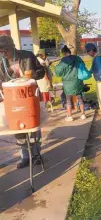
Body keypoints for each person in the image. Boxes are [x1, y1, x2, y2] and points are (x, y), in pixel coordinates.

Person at [0, 35, 45, 169]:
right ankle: (25, 156)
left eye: (5, 50)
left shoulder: (27, 55)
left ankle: (37, 154)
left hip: (29, 96)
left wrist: (33, 75)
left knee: (33, 127)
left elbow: (41, 71)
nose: (3, 53)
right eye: (0, 51)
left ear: (12, 47)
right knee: (17, 128)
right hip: (12, 99)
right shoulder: (1, 61)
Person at [55, 45, 86, 122]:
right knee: (80, 98)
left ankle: (69, 116)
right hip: (78, 81)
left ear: (63, 53)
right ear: (69, 52)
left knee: (68, 100)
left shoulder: (63, 61)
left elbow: (58, 73)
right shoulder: (77, 58)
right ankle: (83, 114)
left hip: (68, 83)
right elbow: (83, 65)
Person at [85, 43, 101, 114]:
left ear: (91, 50)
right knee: (99, 95)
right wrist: (86, 73)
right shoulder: (96, 57)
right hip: (99, 80)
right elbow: (92, 69)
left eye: (87, 51)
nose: (88, 53)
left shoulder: (98, 58)